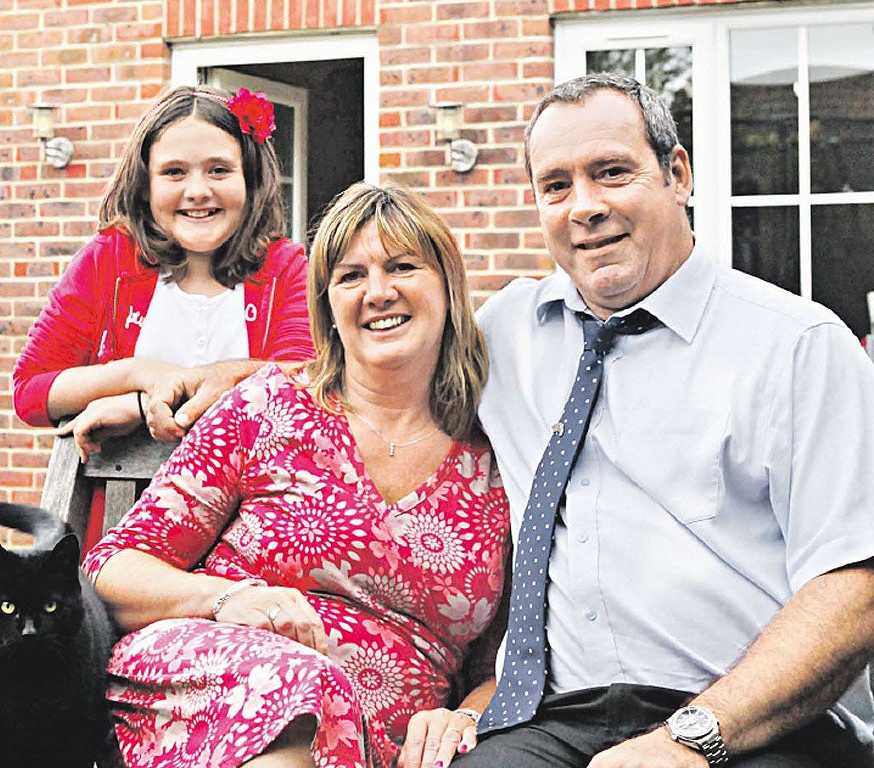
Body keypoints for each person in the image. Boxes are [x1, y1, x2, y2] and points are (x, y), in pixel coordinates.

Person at [453, 72, 874, 768]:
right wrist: (224, 374)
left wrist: (692, 738)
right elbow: (367, 374)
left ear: (677, 173)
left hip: (760, 720)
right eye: (556, 186)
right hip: (554, 720)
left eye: (611, 172)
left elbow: (854, 584)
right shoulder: (504, 333)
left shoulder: (797, 345)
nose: (584, 207)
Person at [82, 182, 512, 768]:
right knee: (308, 687)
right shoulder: (269, 408)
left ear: (447, 287)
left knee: (320, 695)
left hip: (384, 738)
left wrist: (465, 716)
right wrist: (227, 597)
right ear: (327, 306)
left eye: (403, 266)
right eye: (351, 276)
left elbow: (503, 664)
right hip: (210, 684)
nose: (378, 292)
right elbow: (111, 569)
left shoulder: (498, 458)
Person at [12, 85, 314, 461]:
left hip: (257, 514)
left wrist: (146, 407)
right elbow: (31, 391)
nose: (198, 190)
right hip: (122, 515)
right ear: (145, 187)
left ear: (251, 180)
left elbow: (307, 382)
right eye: (174, 172)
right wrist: (140, 376)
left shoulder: (285, 269)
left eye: (219, 170)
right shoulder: (108, 260)